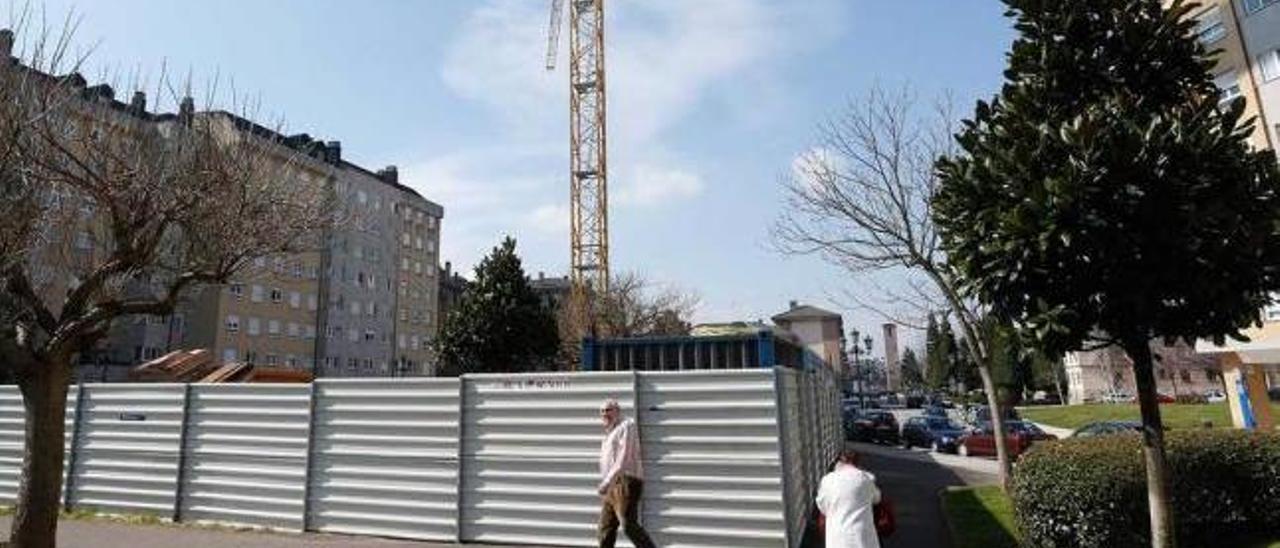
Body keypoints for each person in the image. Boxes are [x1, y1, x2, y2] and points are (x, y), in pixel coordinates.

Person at [597, 398, 657, 548]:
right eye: (602, 411)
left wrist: (606, 482)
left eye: (609, 410)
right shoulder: (609, 433)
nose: (605, 414)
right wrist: (607, 483)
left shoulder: (626, 425)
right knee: (605, 529)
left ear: (618, 411)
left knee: (628, 525)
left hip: (625, 481)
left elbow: (624, 459)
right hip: (612, 485)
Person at [816, 449, 881, 548]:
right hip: (861, 535)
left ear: (839, 462)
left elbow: (822, 506)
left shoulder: (828, 480)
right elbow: (877, 498)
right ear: (857, 462)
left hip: (838, 535)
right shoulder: (866, 479)